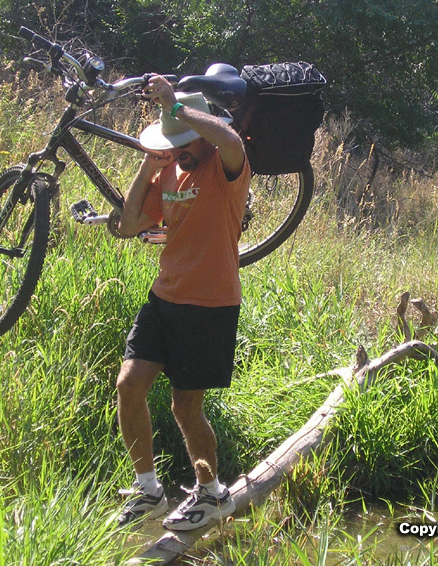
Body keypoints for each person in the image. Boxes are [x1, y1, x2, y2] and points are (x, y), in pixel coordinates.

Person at [114, 75, 251, 531]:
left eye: (187, 141)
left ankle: (212, 495)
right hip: (164, 297)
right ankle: (148, 490)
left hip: (209, 304)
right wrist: (148, 167)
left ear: (201, 132)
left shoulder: (226, 167)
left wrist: (175, 108)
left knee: (185, 408)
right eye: (175, 143)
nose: (182, 149)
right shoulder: (169, 169)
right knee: (128, 386)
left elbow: (229, 137)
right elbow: (130, 225)